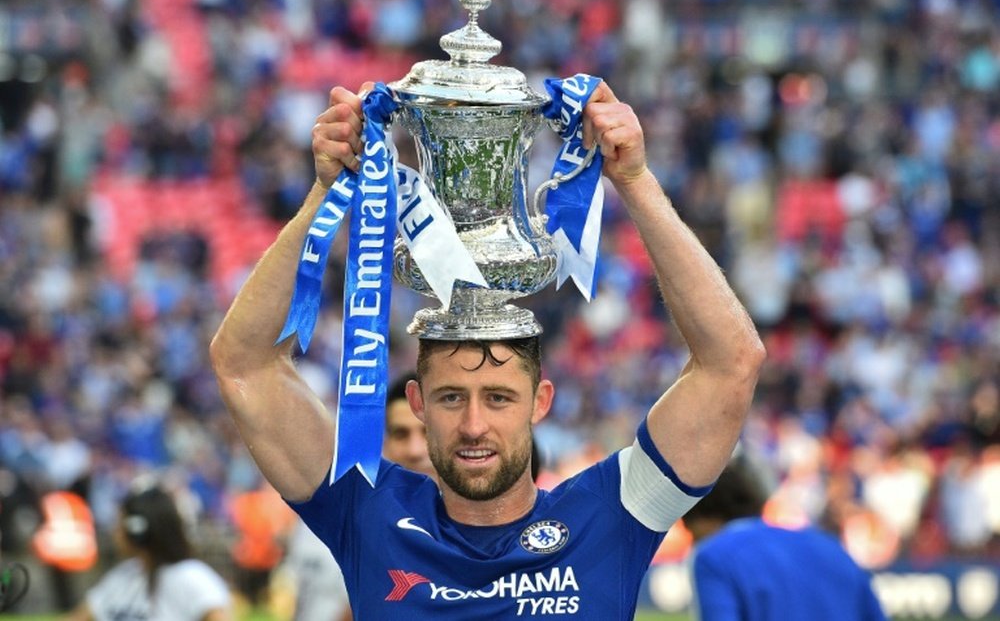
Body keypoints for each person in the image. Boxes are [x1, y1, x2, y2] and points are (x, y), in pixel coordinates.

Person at [210, 81, 766, 618]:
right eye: (452, 398)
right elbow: (245, 365)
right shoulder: (367, 511)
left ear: (540, 400)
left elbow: (732, 364)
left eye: (499, 398)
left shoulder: (612, 514)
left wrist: (636, 180)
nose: (474, 425)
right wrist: (325, 192)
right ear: (418, 403)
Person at [283, 372, 431, 621]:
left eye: (426, 432)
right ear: (383, 442)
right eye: (401, 434)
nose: (415, 450)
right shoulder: (328, 513)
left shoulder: (461, 531)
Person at [683, 459, 887, 621]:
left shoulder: (713, 557)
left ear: (702, 518)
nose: (693, 541)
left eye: (691, 530)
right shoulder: (833, 549)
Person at [63, 483, 232, 621]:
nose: (115, 533)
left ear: (137, 530)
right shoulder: (123, 576)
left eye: (119, 525)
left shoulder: (191, 577)